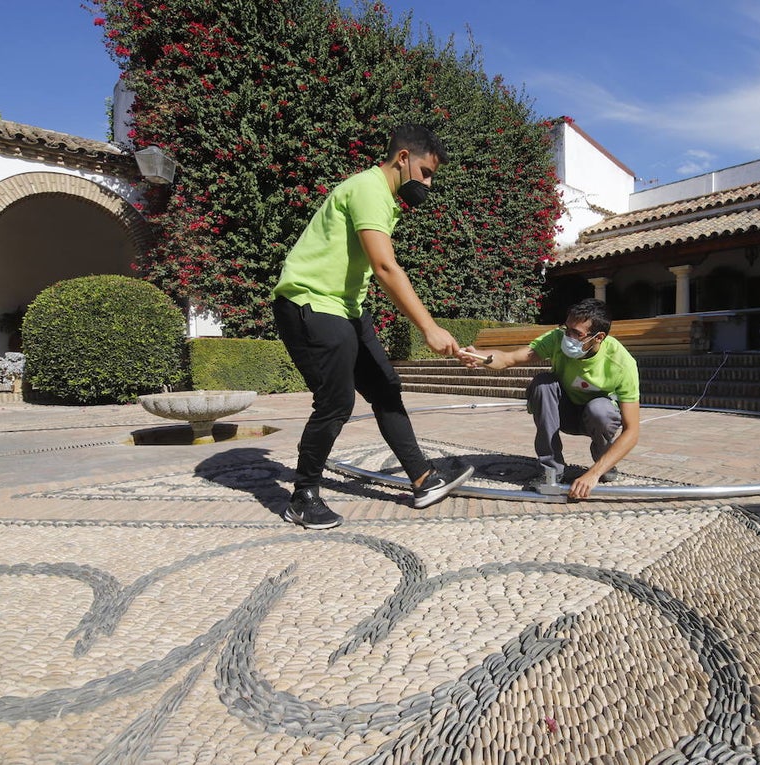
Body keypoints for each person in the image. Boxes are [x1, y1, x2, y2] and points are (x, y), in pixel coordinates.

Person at [271, 124, 473, 529]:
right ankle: (303, 495)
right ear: (403, 159)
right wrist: (428, 328)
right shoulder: (369, 189)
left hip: (346, 307)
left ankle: (422, 478)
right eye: (426, 172)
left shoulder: (384, 198)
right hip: (309, 301)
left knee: (384, 386)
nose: (429, 184)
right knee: (336, 401)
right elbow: (384, 266)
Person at [459, 298, 640, 499]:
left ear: (598, 337)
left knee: (600, 410)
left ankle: (604, 462)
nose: (568, 337)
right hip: (562, 412)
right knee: (543, 383)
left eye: (577, 334)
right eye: (567, 329)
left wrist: (593, 474)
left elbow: (632, 431)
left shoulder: (622, 363)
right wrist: (480, 357)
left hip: (596, 418)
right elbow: (510, 358)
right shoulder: (556, 338)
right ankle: (551, 470)